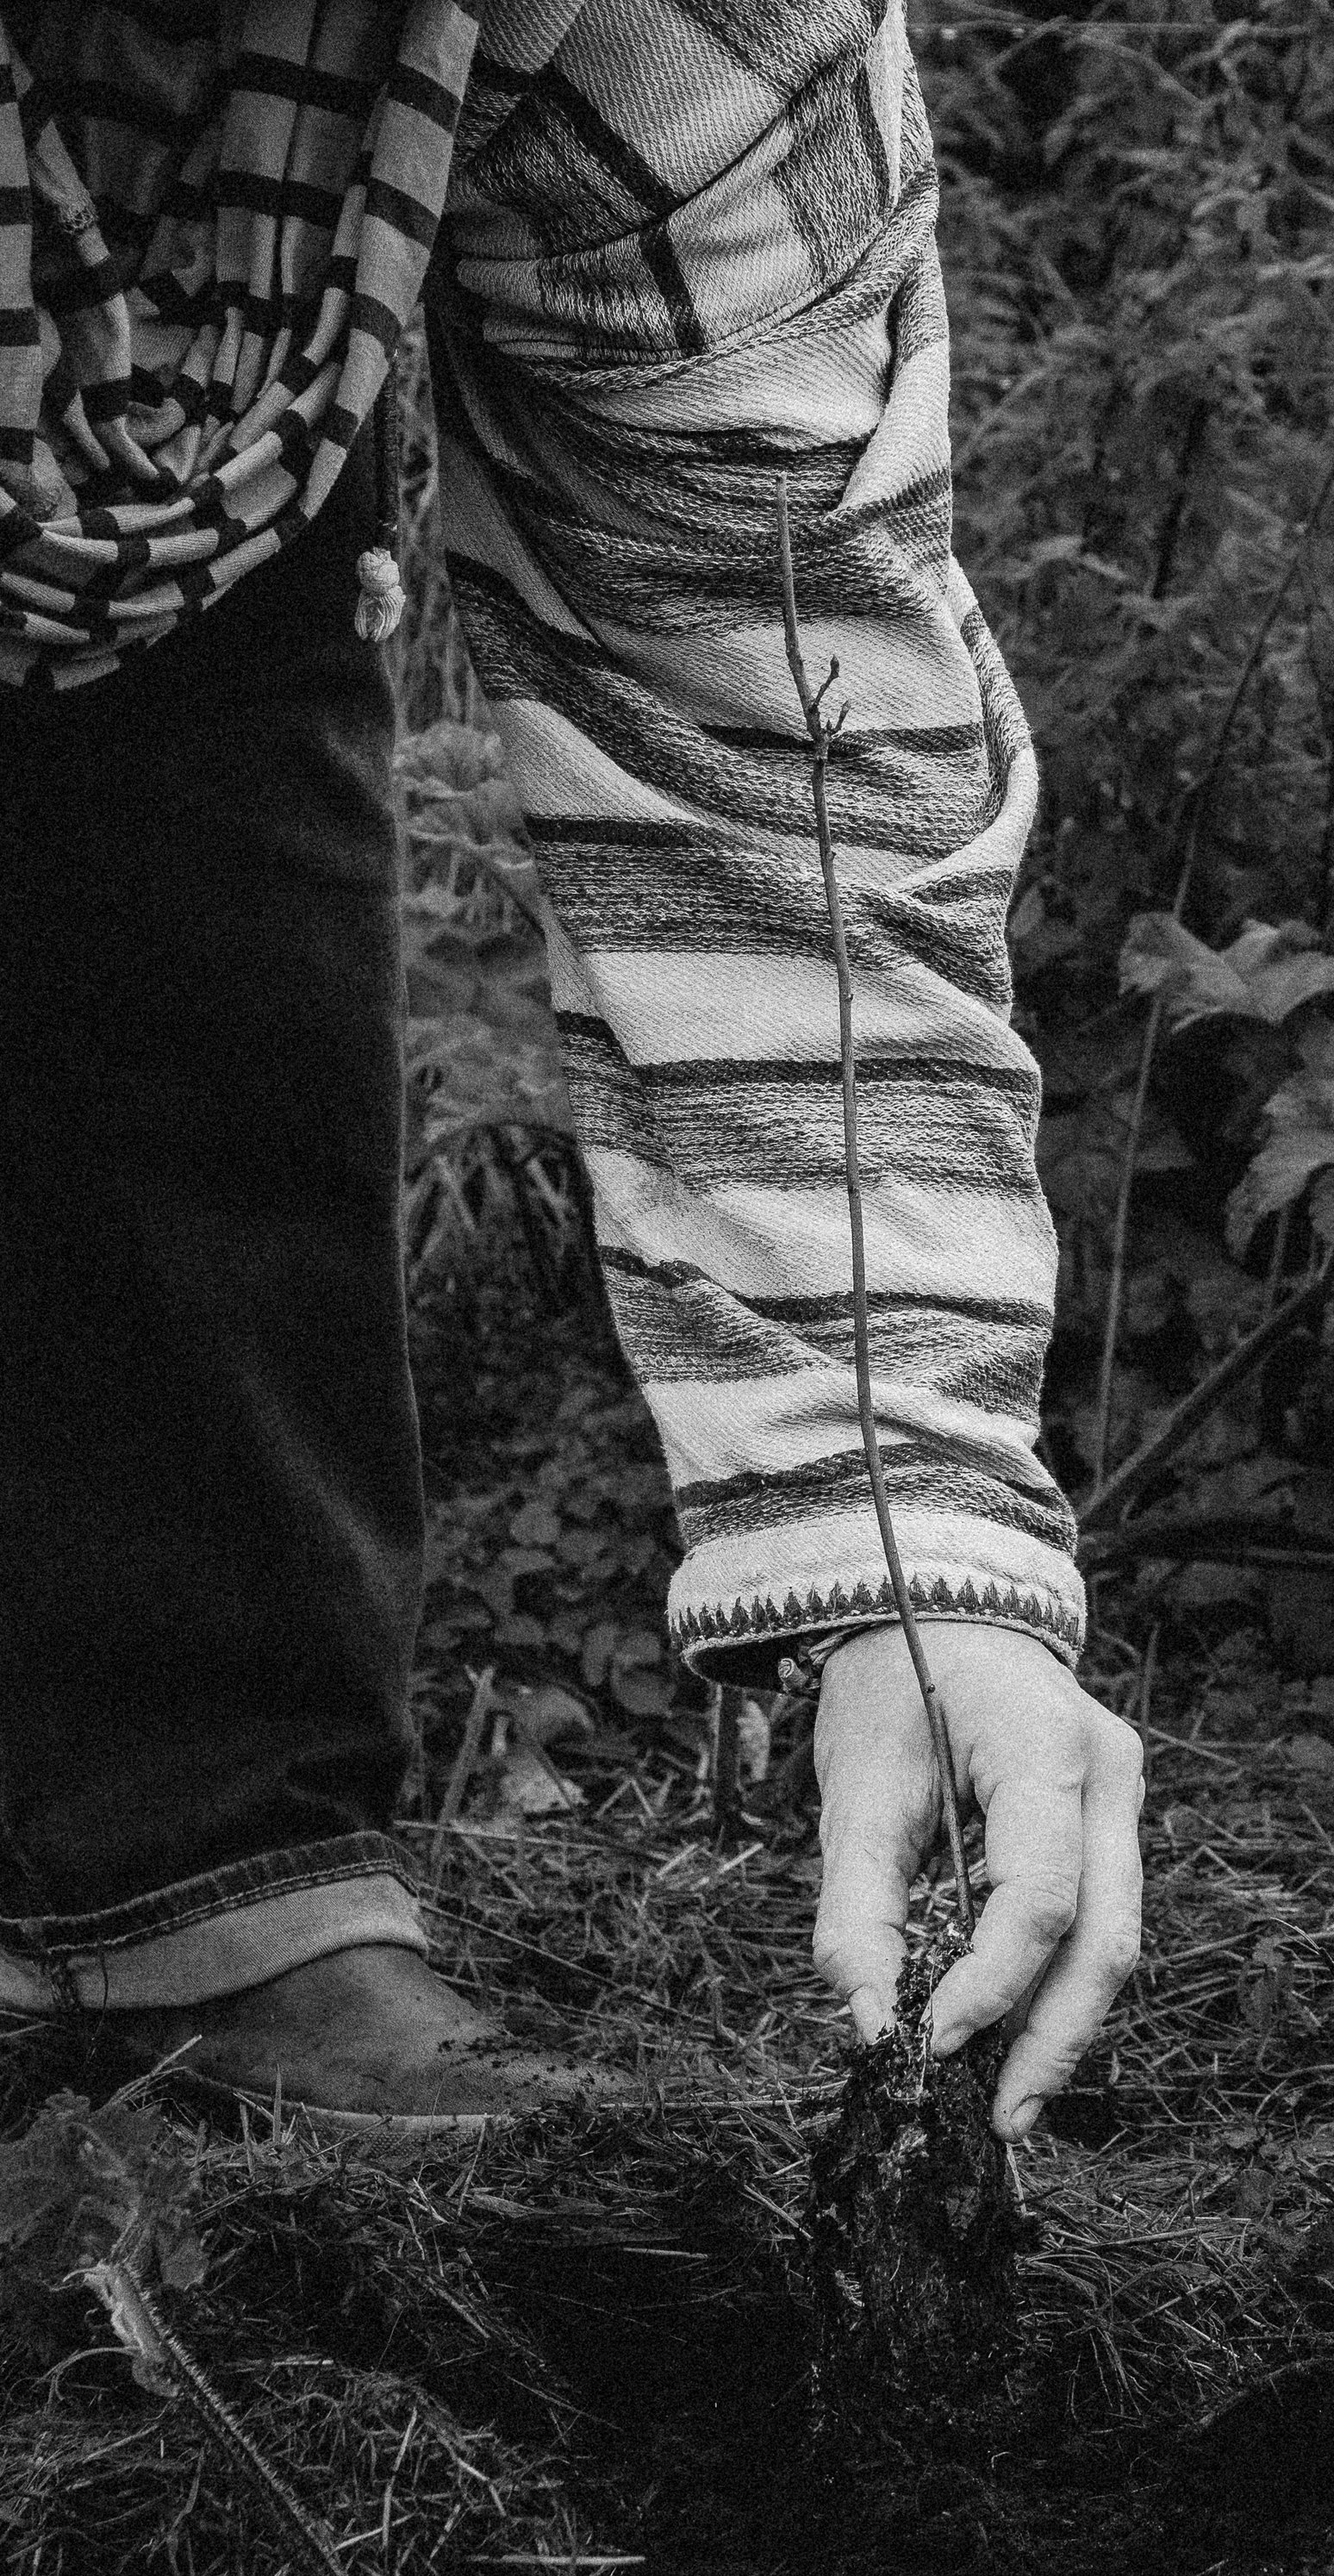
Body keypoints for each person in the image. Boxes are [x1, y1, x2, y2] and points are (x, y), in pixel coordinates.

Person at [0, 1, 1144, 2144]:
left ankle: (179, 1872)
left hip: (163, 403)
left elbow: (773, 713)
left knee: (206, 685)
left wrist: (911, 1544)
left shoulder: (679, 37)